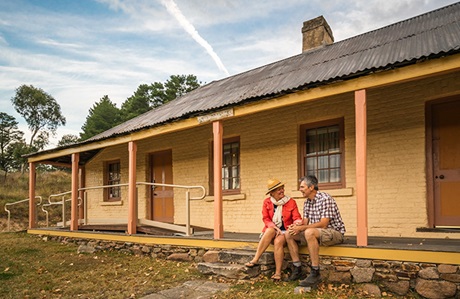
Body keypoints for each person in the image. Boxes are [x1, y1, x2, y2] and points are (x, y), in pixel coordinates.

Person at [285, 175, 346, 287]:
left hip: (333, 232)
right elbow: (305, 223)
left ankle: (315, 272)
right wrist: (296, 226)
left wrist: (303, 228)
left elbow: (323, 224)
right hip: (316, 232)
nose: (300, 190)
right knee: (289, 234)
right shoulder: (307, 202)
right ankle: (297, 268)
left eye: (302, 187)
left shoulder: (325, 199)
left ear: (311, 187)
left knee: (309, 232)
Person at [245, 178, 302, 281]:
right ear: (271, 193)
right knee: (270, 229)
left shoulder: (291, 202)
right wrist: (274, 226)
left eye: (282, 188)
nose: (282, 191)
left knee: (278, 241)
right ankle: (256, 259)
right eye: (278, 189)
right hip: (271, 231)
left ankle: (277, 273)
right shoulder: (267, 202)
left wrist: (297, 222)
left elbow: (297, 217)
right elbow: (265, 218)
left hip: (285, 232)